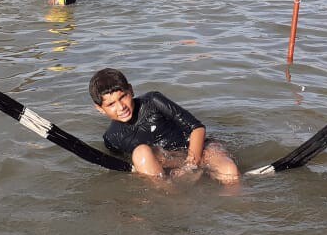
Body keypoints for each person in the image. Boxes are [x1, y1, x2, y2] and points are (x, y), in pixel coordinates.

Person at [89, 68, 240, 183]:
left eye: (123, 97)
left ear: (131, 90)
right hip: (169, 164)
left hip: (199, 150)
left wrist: (191, 165)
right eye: (111, 104)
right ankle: (170, 195)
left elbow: (197, 128)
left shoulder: (153, 102)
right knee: (140, 153)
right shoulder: (112, 138)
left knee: (229, 170)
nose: (121, 107)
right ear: (100, 109)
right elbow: (127, 167)